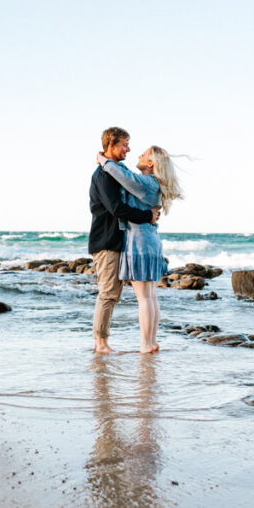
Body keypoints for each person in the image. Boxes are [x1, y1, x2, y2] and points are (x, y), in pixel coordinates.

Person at [97, 145, 183, 353]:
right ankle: (151, 341)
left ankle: (146, 344)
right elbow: (126, 175)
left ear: (151, 163)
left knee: (144, 297)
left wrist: (103, 160)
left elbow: (122, 176)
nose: (138, 155)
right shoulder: (151, 183)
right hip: (150, 241)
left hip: (139, 243)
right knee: (150, 296)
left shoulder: (146, 182)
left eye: (144, 155)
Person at [89, 127, 161, 354]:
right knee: (109, 292)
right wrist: (147, 216)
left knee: (116, 294)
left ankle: (107, 342)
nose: (129, 149)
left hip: (121, 241)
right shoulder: (103, 175)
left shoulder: (117, 171)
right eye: (124, 144)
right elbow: (117, 208)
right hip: (107, 240)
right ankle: (100, 343)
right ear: (111, 145)